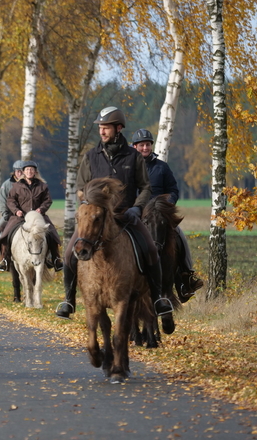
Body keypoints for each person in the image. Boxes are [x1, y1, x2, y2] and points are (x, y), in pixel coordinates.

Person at [55, 107, 173, 319]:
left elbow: (145, 187)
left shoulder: (133, 157)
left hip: (126, 216)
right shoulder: (91, 156)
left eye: (106, 128)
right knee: (68, 254)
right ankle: (68, 300)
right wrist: (87, 204)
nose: (102, 132)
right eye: (100, 128)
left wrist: (137, 208)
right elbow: (81, 186)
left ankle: (157, 299)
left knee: (151, 250)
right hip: (96, 218)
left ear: (118, 128)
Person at [132, 128, 204, 302]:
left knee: (180, 236)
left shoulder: (161, 167)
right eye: (141, 145)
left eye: (148, 144)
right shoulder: (129, 168)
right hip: (137, 215)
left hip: (160, 217)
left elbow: (173, 189)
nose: (145, 148)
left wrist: (168, 203)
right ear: (134, 146)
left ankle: (185, 279)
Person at [0, 161, 63, 273]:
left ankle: (56, 259)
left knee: (52, 233)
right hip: (20, 217)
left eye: (32, 169)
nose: (29, 171)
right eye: (27, 170)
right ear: (23, 172)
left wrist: (41, 209)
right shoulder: (16, 186)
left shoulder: (43, 186)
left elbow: (48, 200)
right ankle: (5, 260)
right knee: (5, 234)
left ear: (35, 172)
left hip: (38, 217)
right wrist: (16, 211)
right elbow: (10, 200)